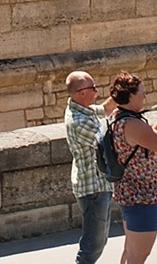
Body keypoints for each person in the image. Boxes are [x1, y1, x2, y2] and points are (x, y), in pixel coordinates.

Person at [108, 72, 157, 264]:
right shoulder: (132, 124)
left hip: (132, 194)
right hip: (142, 198)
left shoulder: (122, 117)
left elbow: (154, 140)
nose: (145, 97)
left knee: (130, 252)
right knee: (138, 256)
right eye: (142, 93)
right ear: (131, 95)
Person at [64, 71, 116, 264]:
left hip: (97, 185)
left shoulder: (83, 110)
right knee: (92, 246)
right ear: (81, 93)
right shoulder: (78, 122)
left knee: (98, 241)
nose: (97, 91)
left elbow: (105, 109)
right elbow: (109, 142)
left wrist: (120, 94)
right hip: (93, 188)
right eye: (92, 88)